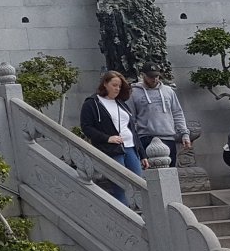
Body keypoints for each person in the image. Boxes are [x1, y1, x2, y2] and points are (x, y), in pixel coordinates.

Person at [79, 71, 146, 208]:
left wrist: (142, 153)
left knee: (138, 181)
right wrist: (107, 138)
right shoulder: (92, 103)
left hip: (130, 147)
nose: (117, 88)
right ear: (105, 84)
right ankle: (124, 213)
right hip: (112, 149)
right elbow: (86, 127)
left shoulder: (121, 103)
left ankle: (142, 212)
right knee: (119, 183)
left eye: (119, 86)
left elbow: (132, 130)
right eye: (114, 85)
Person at [130, 63, 190, 163]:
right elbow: (131, 117)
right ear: (142, 75)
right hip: (145, 138)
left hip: (168, 138)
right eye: (150, 77)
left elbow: (177, 113)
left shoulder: (169, 91)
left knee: (170, 171)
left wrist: (185, 134)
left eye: (156, 76)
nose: (154, 79)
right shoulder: (134, 92)